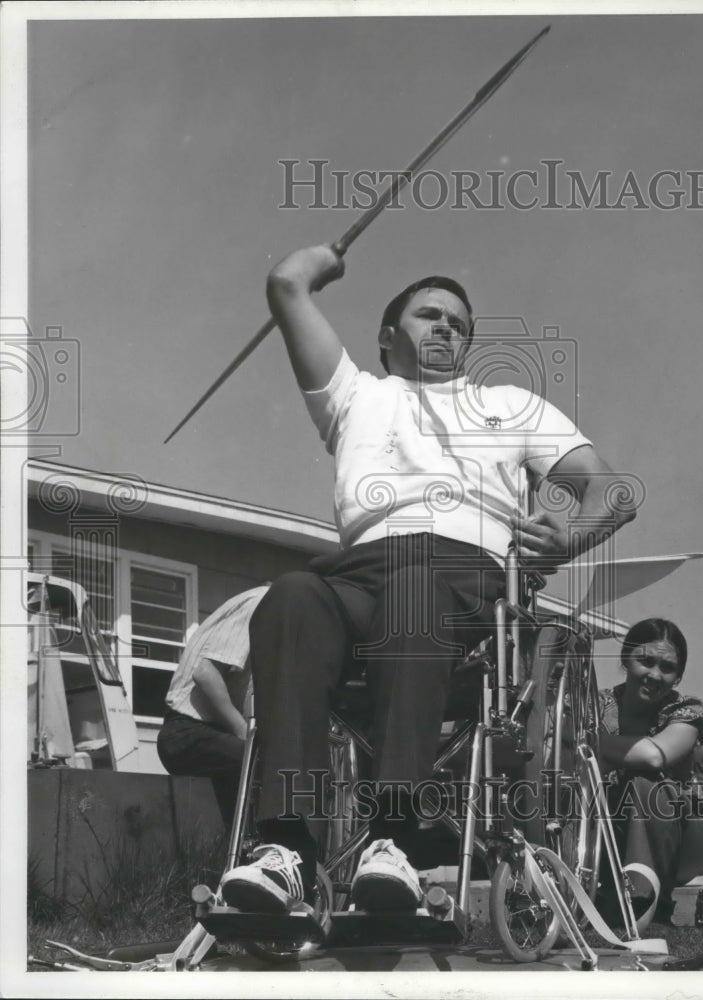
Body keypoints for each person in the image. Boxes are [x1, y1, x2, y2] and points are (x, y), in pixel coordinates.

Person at [219, 244, 636, 915]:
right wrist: (326, 258)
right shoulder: (355, 397)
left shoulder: (510, 404)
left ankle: (393, 838)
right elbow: (286, 284)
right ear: (387, 337)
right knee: (291, 595)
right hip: (357, 576)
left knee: (415, 589)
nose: (447, 328)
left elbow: (612, 493)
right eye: (429, 316)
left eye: (459, 323)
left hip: (464, 581)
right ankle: (288, 850)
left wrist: (570, 537)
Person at [598, 618, 703, 923]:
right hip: (606, 825)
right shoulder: (595, 705)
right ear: (625, 660)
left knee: (646, 784)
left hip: (677, 836)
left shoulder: (686, 709)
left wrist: (593, 744)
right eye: (645, 661)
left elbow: (654, 757)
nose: (655, 675)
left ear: (679, 675)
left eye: (667, 667)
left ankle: (647, 903)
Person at [157, 586, 269, 828]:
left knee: (235, 823)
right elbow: (205, 674)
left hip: (210, 735)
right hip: (188, 733)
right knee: (274, 768)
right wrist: (244, 734)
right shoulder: (263, 602)